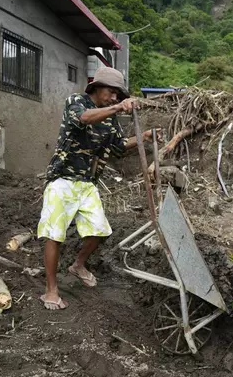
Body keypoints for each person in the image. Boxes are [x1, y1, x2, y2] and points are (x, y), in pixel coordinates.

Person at [37, 66, 157, 310]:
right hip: (63, 179)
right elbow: (82, 119)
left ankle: (78, 264)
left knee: (101, 231)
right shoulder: (76, 102)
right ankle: (51, 290)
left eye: (118, 95)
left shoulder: (110, 118)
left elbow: (118, 147)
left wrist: (143, 136)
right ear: (97, 86)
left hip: (87, 183)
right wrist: (116, 108)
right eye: (112, 92)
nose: (115, 98)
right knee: (54, 235)